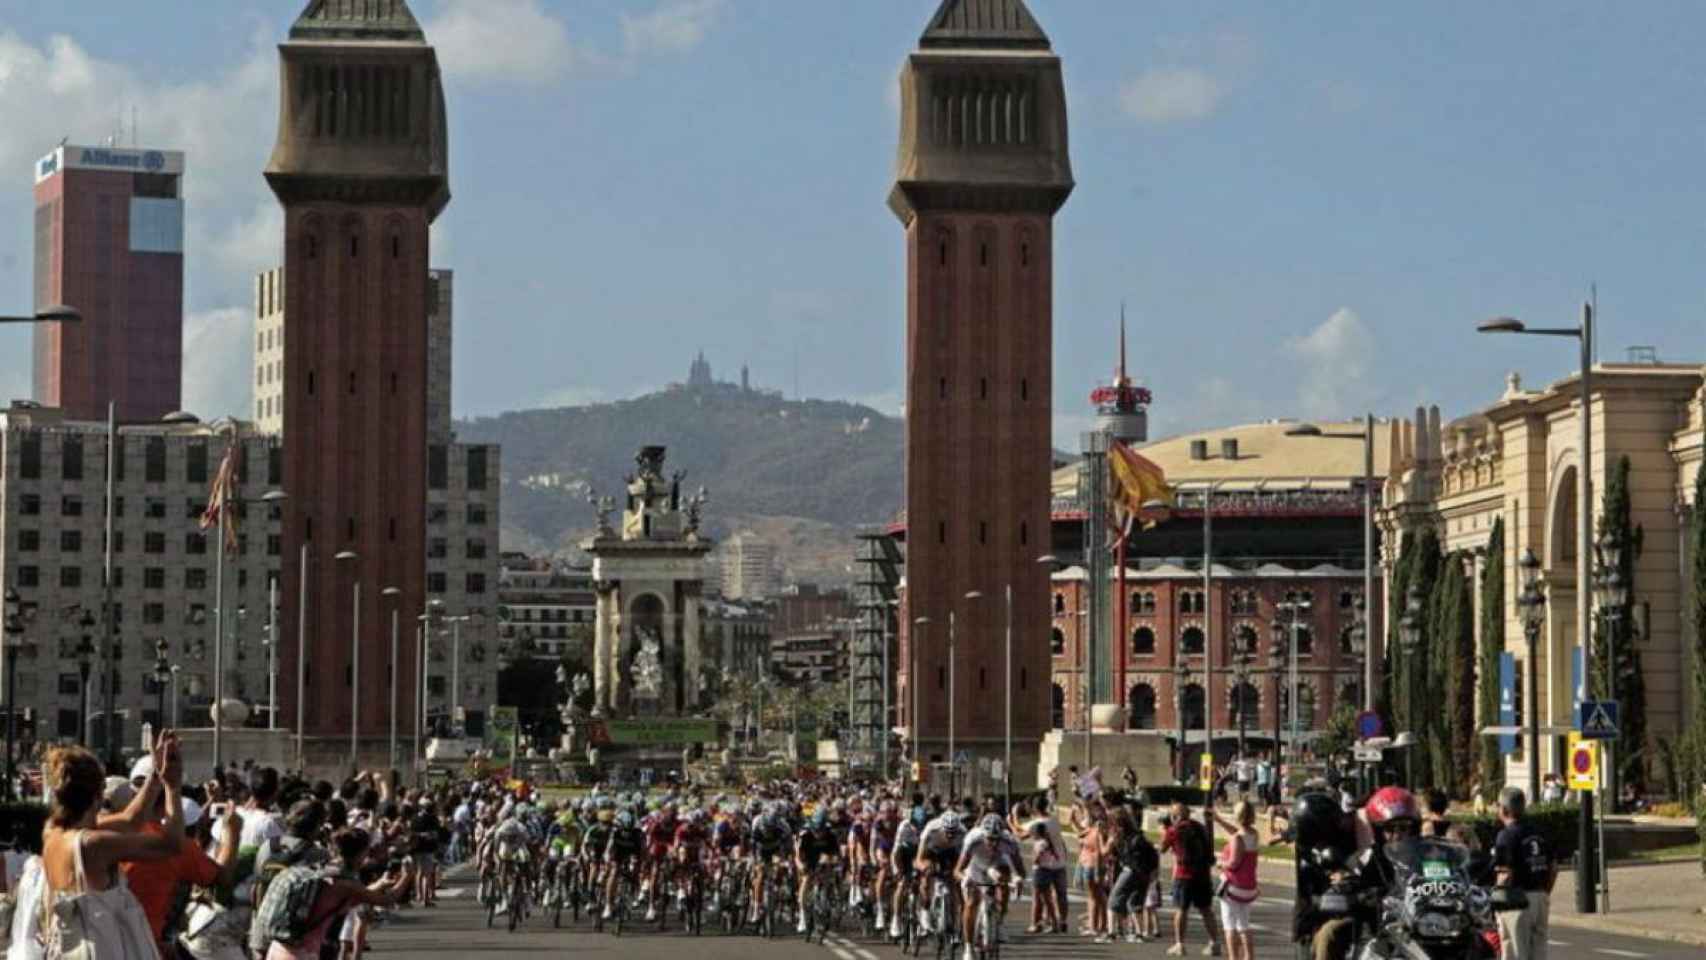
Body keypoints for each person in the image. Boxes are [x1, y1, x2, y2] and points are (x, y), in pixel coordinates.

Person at [39, 735, 186, 959]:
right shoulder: (95, 845)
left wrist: (156, 775)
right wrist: (173, 788)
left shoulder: (52, 832)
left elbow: (131, 821)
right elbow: (172, 844)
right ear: (97, 797)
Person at [258, 829, 413, 960]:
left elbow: (357, 895)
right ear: (360, 853)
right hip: (302, 954)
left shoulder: (321, 870)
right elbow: (387, 900)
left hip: (278, 948)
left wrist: (380, 883)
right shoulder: (345, 883)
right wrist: (407, 876)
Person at [1493, 787, 1555, 960]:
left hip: (1516, 901)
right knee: (1539, 952)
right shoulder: (1540, 831)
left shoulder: (1505, 836)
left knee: (1515, 951)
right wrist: (1544, 893)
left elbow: (1505, 873)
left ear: (1504, 809)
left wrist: (1496, 901)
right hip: (1540, 897)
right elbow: (1553, 867)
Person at [1159, 800, 1220, 956]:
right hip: (1202, 874)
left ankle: (1180, 944)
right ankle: (1215, 942)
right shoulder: (1200, 827)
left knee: (1181, 910)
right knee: (1206, 910)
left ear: (1176, 816)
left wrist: (1164, 830)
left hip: (1184, 874)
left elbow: (1162, 848)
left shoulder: (1174, 830)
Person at [1211, 801, 1261, 960]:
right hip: (1249, 887)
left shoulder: (1237, 839)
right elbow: (1237, 833)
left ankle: (1234, 957)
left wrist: (1220, 863)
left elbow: (1233, 862)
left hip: (1233, 886)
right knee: (1244, 925)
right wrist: (1218, 820)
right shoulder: (1254, 834)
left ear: (1236, 816)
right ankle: (1249, 956)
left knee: (1229, 925)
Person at [1104, 807, 1158, 944]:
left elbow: (1105, 852)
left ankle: (1111, 933)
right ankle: (1139, 934)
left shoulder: (1118, 836)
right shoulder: (1138, 835)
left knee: (1113, 900)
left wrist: (1106, 838)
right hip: (1143, 873)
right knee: (1135, 902)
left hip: (1129, 871)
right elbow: (1153, 854)